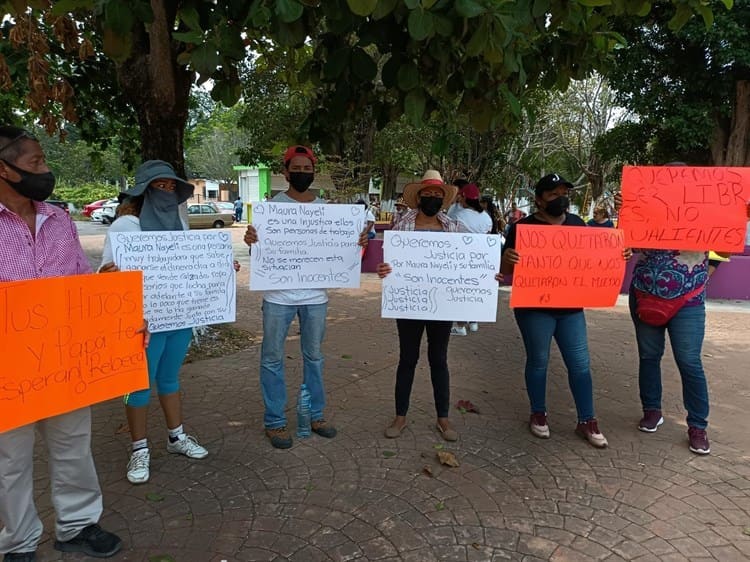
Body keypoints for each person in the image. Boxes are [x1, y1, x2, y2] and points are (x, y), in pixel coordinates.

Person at [0, 126, 126, 560]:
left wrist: (110, 297)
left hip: (64, 363)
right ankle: (17, 541)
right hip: (7, 370)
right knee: (9, 462)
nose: (46, 170)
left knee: (73, 447)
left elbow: (79, 284)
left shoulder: (60, 221)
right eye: (36, 163)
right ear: (4, 168)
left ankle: (77, 525)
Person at [617, 170, 750, 455]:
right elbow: (627, 244)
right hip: (645, 294)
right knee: (648, 356)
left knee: (689, 361)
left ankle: (698, 425)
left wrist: (739, 217)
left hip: (688, 302)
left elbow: (724, 250)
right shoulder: (646, 211)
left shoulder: (706, 213)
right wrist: (626, 213)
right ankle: (652, 410)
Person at [244, 145, 368, 449]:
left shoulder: (328, 210)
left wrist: (358, 241)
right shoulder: (270, 208)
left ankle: (315, 414)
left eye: (307, 169)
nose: (301, 174)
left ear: (314, 173)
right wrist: (252, 241)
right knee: (272, 358)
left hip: (316, 298)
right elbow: (258, 252)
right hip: (277, 297)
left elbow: (346, 250)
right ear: (285, 173)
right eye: (295, 169)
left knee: (314, 357)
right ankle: (274, 421)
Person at [501, 173, 632, 449]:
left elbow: (591, 260)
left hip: (571, 309)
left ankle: (587, 419)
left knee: (581, 364)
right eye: (553, 194)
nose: (561, 198)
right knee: (538, 361)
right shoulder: (521, 227)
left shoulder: (577, 224)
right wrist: (508, 259)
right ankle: (538, 413)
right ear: (538, 200)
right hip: (534, 308)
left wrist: (617, 255)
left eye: (564, 193)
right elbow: (505, 272)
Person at [101, 160, 210, 484]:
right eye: (159, 186)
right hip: (141, 323)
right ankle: (139, 448)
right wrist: (108, 275)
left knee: (170, 378)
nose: (166, 191)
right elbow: (106, 272)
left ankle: (176, 437)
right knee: (139, 385)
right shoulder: (125, 227)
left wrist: (218, 268)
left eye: (171, 186)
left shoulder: (181, 223)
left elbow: (194, 265)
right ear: (144, 190)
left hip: (179, 316)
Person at [377, 170, 468, 442]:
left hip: (442, 304)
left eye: (437, 195)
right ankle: (400, 416)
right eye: (427, 193)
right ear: (418, 197)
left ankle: (443, 418)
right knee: (408, 358)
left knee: (439, 359)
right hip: (408, 303)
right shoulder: (400, 225)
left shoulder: (453, 228)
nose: (432, 197)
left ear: (444, 200)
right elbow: (387, 260)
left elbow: (468, 262)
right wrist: (384, 269)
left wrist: (486, 276)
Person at [451, 182, 493, 335]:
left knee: (461, 293)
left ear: (462, 196)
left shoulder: (458, 216)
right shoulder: (486, 218)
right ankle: (474, 321)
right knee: (474, 291)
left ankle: (461, 326)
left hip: (460, 260)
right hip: (480, 261)